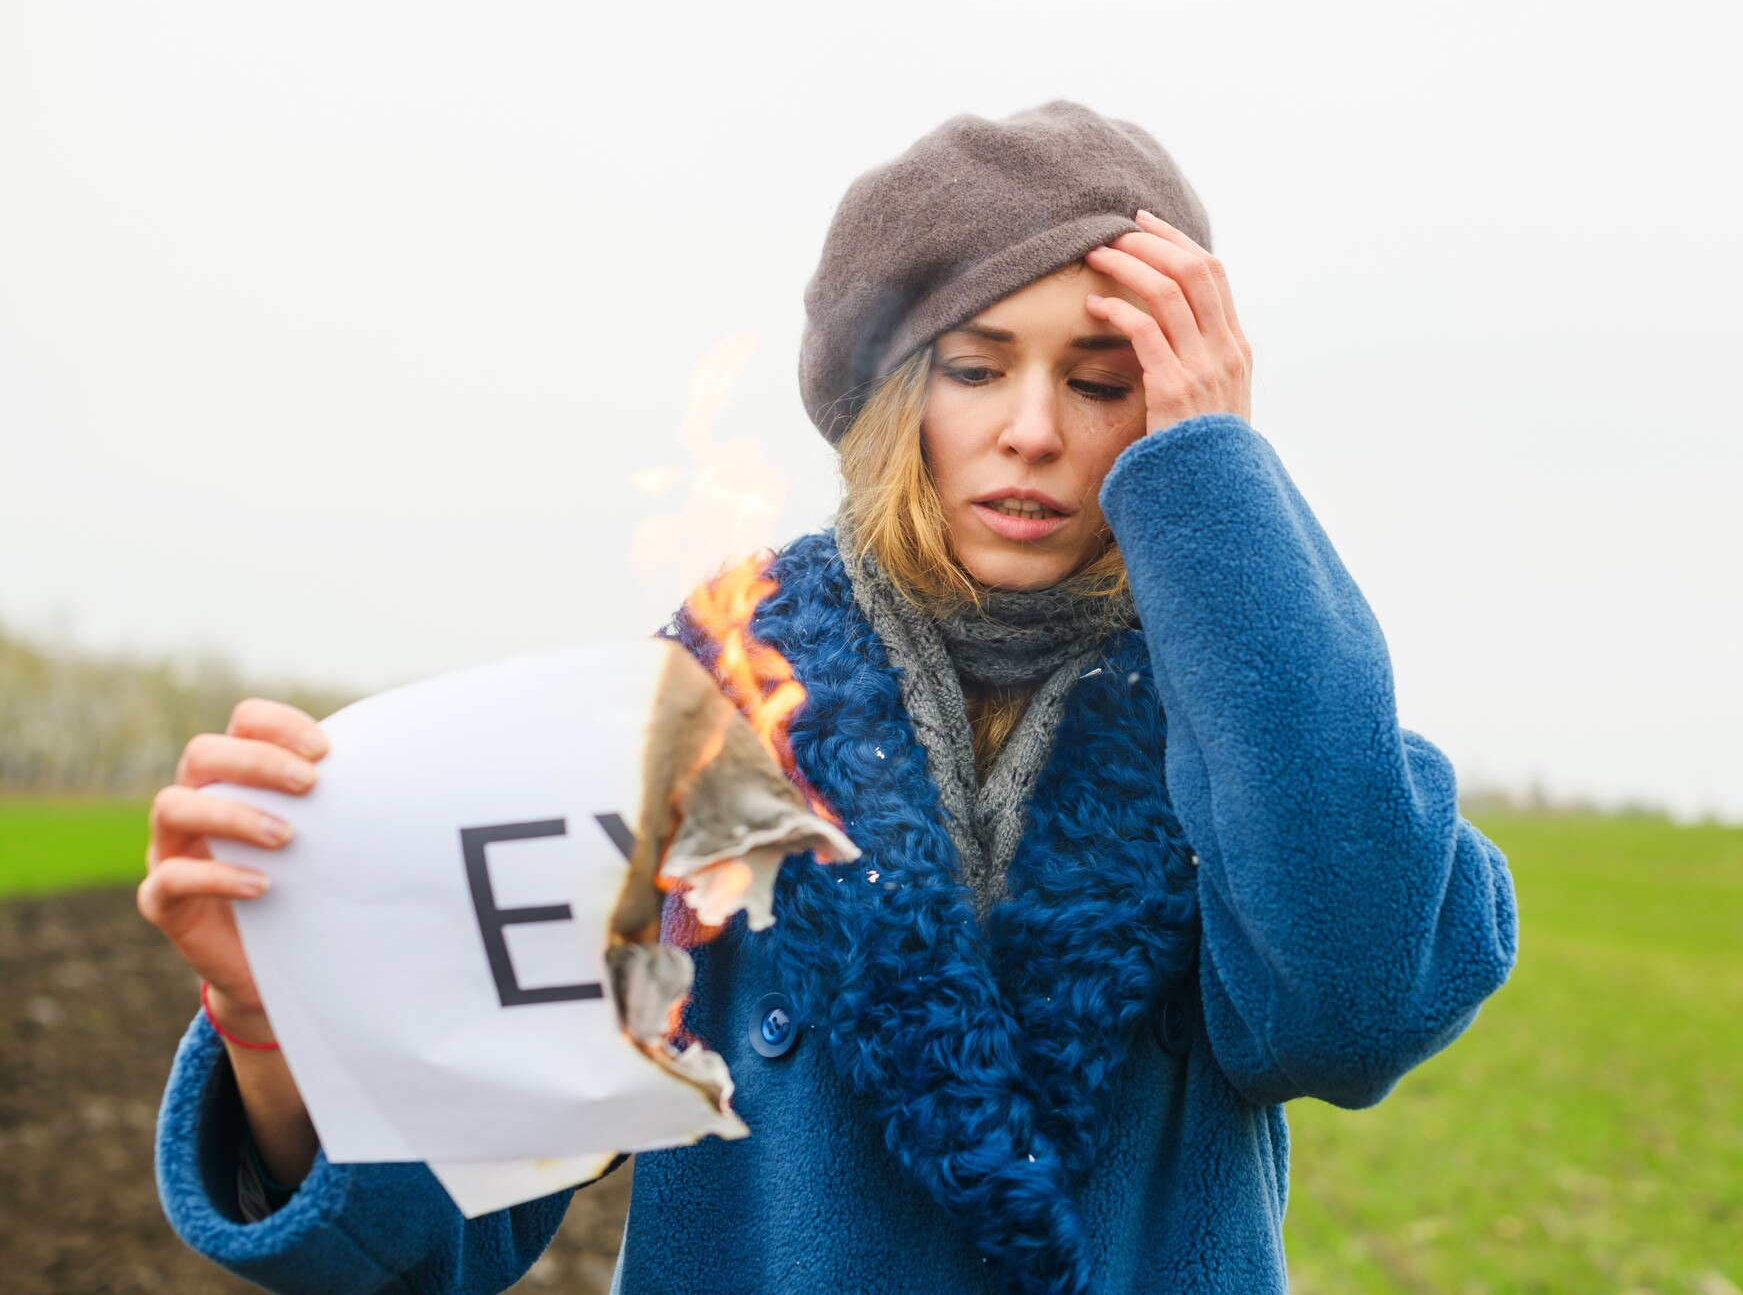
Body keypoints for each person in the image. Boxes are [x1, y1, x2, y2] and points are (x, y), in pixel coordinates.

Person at [140, 98, 1520, 1294]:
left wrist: (1219, 486)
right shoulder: (710, 699)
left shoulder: (1248, 700)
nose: (1033, 429)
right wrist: (274, 1029)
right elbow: (451, 1226)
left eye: (1103, 381)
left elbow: (1352, 1008)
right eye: (974, 368)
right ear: (889, 397)